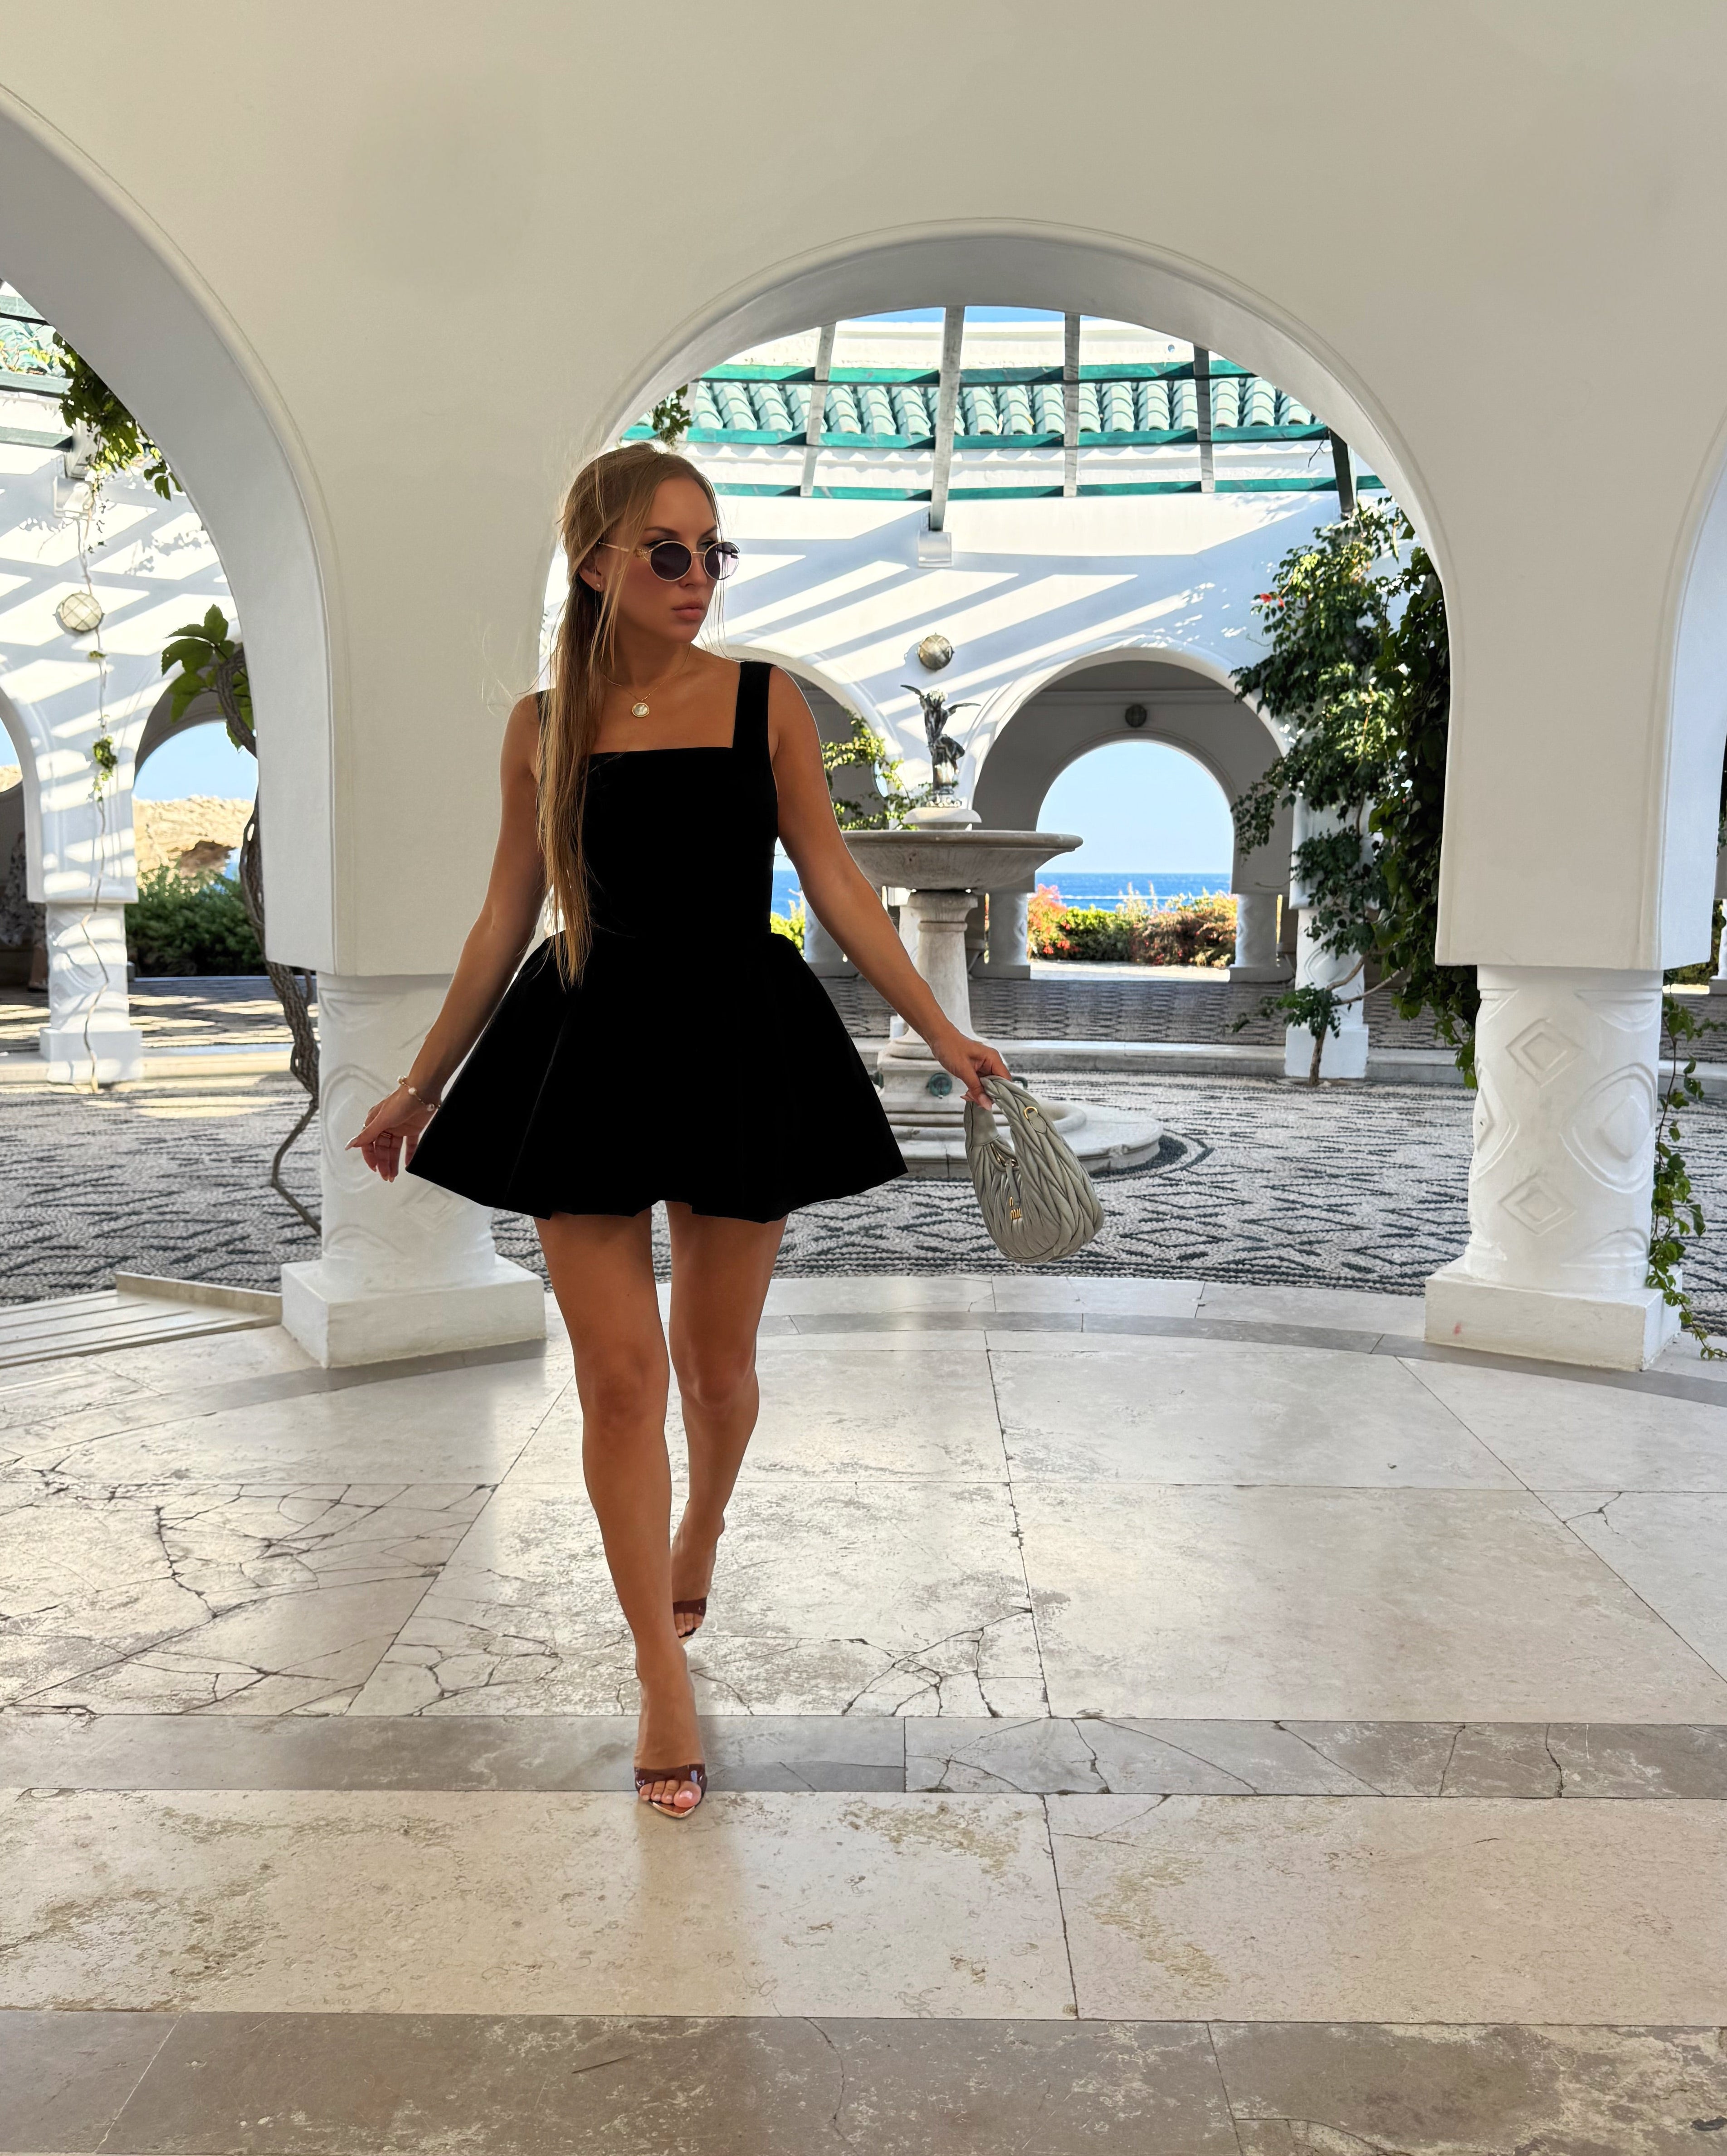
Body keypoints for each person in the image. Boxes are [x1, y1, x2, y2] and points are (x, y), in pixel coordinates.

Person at [347, 443, 1009, 1817]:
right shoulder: (539, 725)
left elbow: (835, 879)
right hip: (581, 1040)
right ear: (595, 561)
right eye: (668, 551)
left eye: (715, 551)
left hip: (736, 1038)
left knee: (716, 1376)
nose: (698, 576)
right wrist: (419, 1082)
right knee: (617, 1384)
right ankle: (661, 1666)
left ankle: (702, 1518)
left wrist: (941, 1032)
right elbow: (501, 917)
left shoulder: (768, 703)